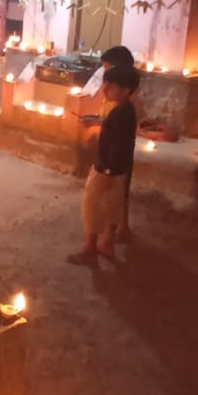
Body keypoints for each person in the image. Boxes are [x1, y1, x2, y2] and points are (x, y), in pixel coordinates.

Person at [67, 65, 140, 264]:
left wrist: (107, 172)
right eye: (105, 83)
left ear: (125, 91)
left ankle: (91, 249)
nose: (105, 88)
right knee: (112, 207)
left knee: (92, 206)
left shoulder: (121, 115)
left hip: (107, 170)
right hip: (118, 171)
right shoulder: (125, 110)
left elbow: (118, 146)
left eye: (111, 86)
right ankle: (106, 244)